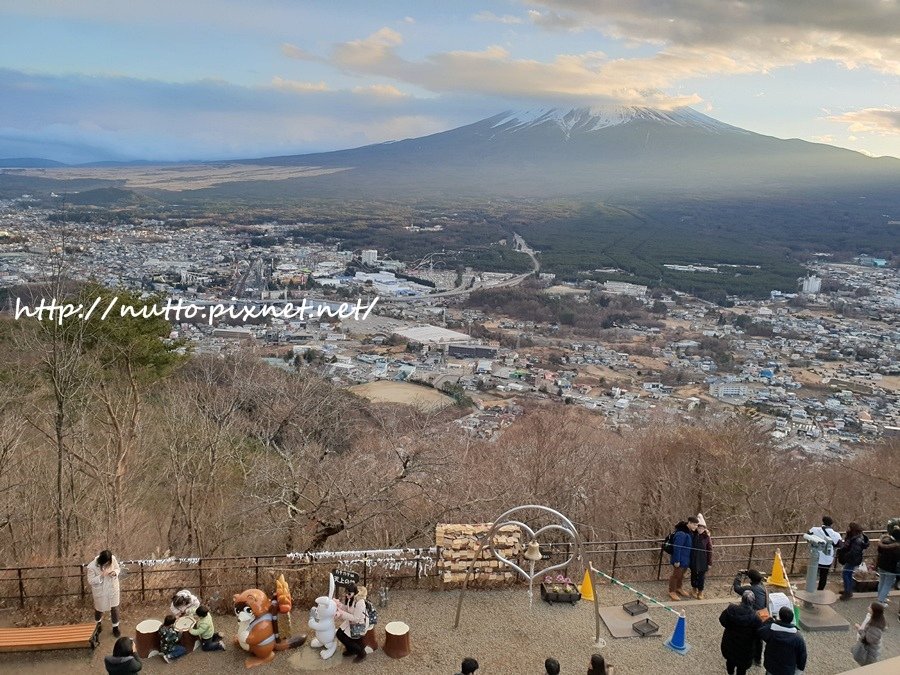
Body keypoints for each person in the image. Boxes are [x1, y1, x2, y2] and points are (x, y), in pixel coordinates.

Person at [720, 590, 764, 675]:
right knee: (742, 668)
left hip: (730, 643)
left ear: (742, 599)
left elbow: (722, 620)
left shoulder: (731, 610)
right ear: (753, 601)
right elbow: (759, 635)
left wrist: (729, 627)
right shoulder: (756, 618)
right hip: (746, 648)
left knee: (730, 661)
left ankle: (730, 673)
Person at [733, 569, 768, 665]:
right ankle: (758, 659)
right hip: (764, 614)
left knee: (748, 635)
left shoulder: (750, 589)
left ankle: (746, 654)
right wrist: (750, 572)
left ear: (750, 579)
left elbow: (736, 588)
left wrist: (738, 576)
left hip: (754, 616)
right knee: (759, 638)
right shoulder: (763, 587)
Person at [758, 607, 807, 675]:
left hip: (771, 666)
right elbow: (802, 655)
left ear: (780, 617)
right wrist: (800, 668)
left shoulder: (771, 630)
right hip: (787, 669)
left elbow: (760, 631)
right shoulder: (798, 637)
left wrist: (769, 621)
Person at [87, 549, 122, 637]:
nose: (108, 564)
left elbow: (118, 568)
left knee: (114, 607)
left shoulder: (112, 559)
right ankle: (98, 624)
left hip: (112, 588)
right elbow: (90, 581)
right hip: (101, 591)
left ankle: (115, 627)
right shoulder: (91, 566)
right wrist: (102, 576)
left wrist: (115, 572)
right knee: (99, 609)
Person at [335, 583, 368, 662]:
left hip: (359, 624)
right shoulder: (351, 598)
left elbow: (356, 619)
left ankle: (361, 653)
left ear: (354, 592)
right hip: (351, 622)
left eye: (349, 593)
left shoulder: (360, 602)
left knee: (346, 638)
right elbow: (348, 609)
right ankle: (351, 650)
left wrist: (342, 614)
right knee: (339, 633)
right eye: (346, 592)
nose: (347, 595)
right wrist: (339, 605)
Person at [668, 516, 699, 601]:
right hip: (680, 559)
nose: (696, 527)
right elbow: (677, 548)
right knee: (676, 575)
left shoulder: (689, 532)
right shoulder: (681, 533)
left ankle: (679, 587)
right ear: (689, 523)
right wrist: (677, 560)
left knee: (681, 575)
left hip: (686, 558)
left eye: (697, 525)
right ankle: (672, 591)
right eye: (695, 525)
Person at [808, 515, 842, 590]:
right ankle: (820, 590)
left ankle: (810, 588)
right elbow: (839, 545)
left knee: (812, 574)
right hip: (827, 558)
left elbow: (808, 536)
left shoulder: (815, 530)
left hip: (815, 556)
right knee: (824, 576)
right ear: (831, 524)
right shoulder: (836, 534)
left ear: (823, 521)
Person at [837, 522, 869, 600]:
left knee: (846, 574)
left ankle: (848, 592)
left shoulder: (857, 540)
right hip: (854, 559)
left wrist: (845, 556)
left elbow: (854, 552)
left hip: (852, 559)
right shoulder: (856, 537)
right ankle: (847, 590)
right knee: (848, 574)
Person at [875, 526, 900, 607]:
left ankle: (880, 597)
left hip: (882, 565)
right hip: (891, 567)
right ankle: (881, 601)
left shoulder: (884, 541)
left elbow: (879, 551)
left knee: (882, 582)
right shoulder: (897, 546)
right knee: (887, 584)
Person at [690, 514, 713, 599]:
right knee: (693, 574)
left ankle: (700, 591)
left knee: (701, 576)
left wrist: (709, 562)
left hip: (703, 560)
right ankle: (694, 588)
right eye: (699, 527)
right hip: (693, 558)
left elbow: (710, 550)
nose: (700, 529)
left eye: (702, 528)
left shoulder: (707, 537)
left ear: (704, 528)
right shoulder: (693, 534)